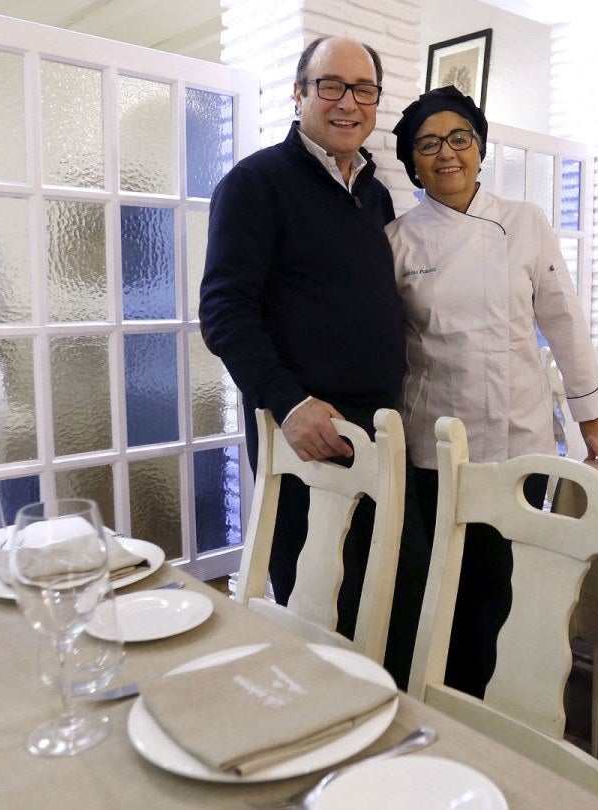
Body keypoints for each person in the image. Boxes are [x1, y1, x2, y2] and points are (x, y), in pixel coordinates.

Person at [387, 86, 598, 696]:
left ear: (479, 147)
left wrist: (592, 416)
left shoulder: (525, 222)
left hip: (521, 434)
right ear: (412, 161)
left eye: (459, 138)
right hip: (436, 442)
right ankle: (449, 701)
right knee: (447, 581)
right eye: (428, 144)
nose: (447, 153)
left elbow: (563, 318)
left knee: (507, 578)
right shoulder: (398, 239)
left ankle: (506, 702)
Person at [198, 36, 426, 687]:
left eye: (364, 89)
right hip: (307, 433)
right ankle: (318, 739)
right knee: (318, 618)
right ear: (299, 94)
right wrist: (289, 403)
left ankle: (392, 740)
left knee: (399, 603)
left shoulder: (375, 195)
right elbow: (223, 312)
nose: (348, 102)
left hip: (382, 431)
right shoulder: (255, 184)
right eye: (331, 85)